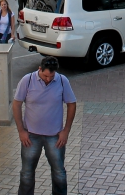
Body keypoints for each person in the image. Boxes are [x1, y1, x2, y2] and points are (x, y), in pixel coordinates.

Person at [13, 56, 77, 195]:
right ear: (39, 69)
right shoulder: (27, 80)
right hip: (30, 136)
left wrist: (66, 131)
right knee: (26, 174)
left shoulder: (61, 80)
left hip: (54, 137)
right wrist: (21, 130)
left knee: (59, 173)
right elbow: (16, 104)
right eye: (45, 75)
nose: (48, 79)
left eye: (51, 76)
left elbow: (71, 104)